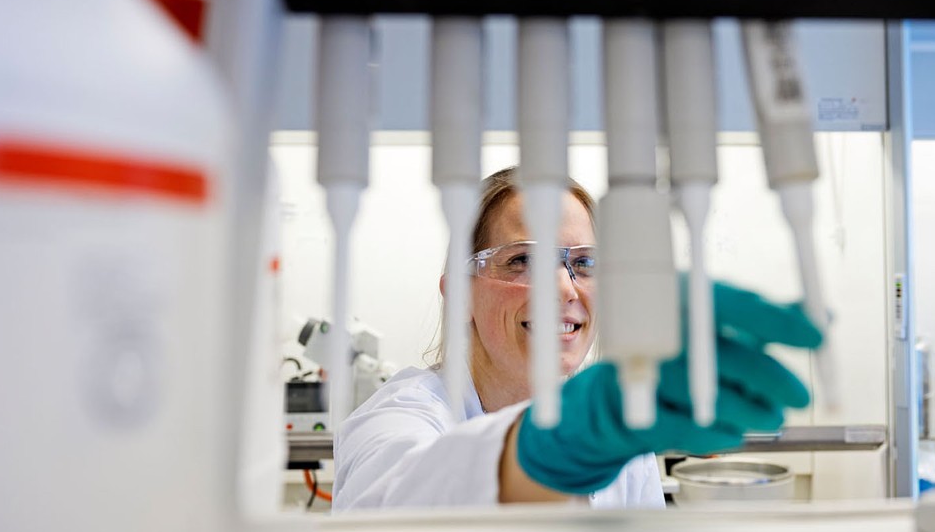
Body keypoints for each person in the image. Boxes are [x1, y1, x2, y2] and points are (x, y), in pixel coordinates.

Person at [332, 166, 822, 509]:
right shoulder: (402, 415)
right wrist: (558, 445)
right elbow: (388, 515)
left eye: (584, 263)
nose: (565, 289)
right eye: (523, 260)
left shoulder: (621, 428)